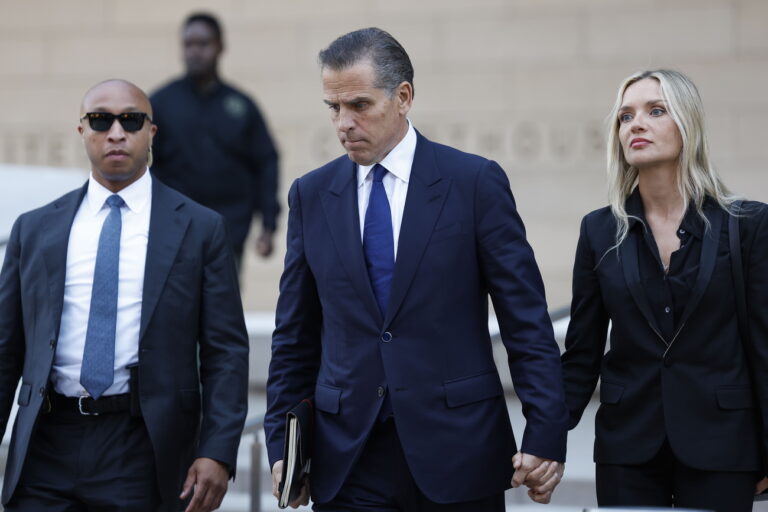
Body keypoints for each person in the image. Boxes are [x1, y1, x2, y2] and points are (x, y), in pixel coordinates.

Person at [264, 27, 568, 511]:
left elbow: (525, 323)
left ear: (403, 96)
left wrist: (545, 433)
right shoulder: (311, 195)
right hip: (347, 457)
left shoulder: (473, 183)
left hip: (459, 453)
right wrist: (283, 446)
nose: (343, 123)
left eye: (359, 105)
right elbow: (294, 335)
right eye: (334, 108)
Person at [0, 79, 249, 512]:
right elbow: (5, 348)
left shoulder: (199, 228)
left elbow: (225, 351)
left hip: (142, 445)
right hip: (46, 442)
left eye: (131, 120)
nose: (116, 132)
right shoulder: (35, 229)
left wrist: (218, 450)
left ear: (151, 132)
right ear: (82, 131)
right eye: (101, 120)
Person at [561, 69, 768, 512]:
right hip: (627, 447)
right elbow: (581, 353)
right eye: (625, 116)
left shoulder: (747, 225)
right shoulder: (599, 231)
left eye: (656, 111)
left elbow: (764, 349)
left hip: (723, 445)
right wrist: (544, 440)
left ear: (687, 125)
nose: (636, 124)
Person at [151, 12, 280, 267]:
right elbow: (145, 166)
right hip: (175, 231)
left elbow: (266, 162)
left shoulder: (242, 106)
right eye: (189, 45)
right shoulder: (161, 103)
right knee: (177, 306)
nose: (195, 52)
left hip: (229, 232)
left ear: (220, 47)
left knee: (223, 306)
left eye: (203, 44)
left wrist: (268, 224)